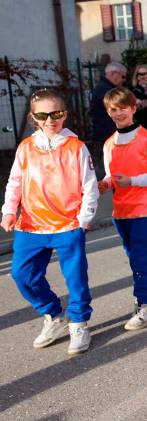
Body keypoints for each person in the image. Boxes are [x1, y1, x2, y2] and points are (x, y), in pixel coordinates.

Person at [1, 89, 98, 355]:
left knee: (75, 279)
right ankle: (54, 315)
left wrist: (84, 218)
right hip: (31, 226)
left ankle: (78, 322)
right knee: (22, 275)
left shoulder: (76, 147)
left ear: (64, 114)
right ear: (34, 117)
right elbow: (15, 183)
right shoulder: (25, 147)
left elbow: (90, 186)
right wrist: (9, 211)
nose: (50, 119)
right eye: (43, 115)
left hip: (68, 225)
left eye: (56, 113)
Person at [98, 87, 147, 330]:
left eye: (123, 108)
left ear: (133, 108)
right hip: (122, 208)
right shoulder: (109, 144)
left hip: (146, 208)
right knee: (134, 254)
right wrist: (103, 185)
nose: (118, 113)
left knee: (138, 257)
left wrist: (133, 181)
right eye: (113, 110)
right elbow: (111, 175)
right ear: (108, 112)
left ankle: (144, 306)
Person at [90, 61, 127, 146]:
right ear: (113, 74)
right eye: (123, 76)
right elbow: (117, 107)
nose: (123, 80)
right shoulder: (104, 90)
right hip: (107, 134)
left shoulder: (106, 88)